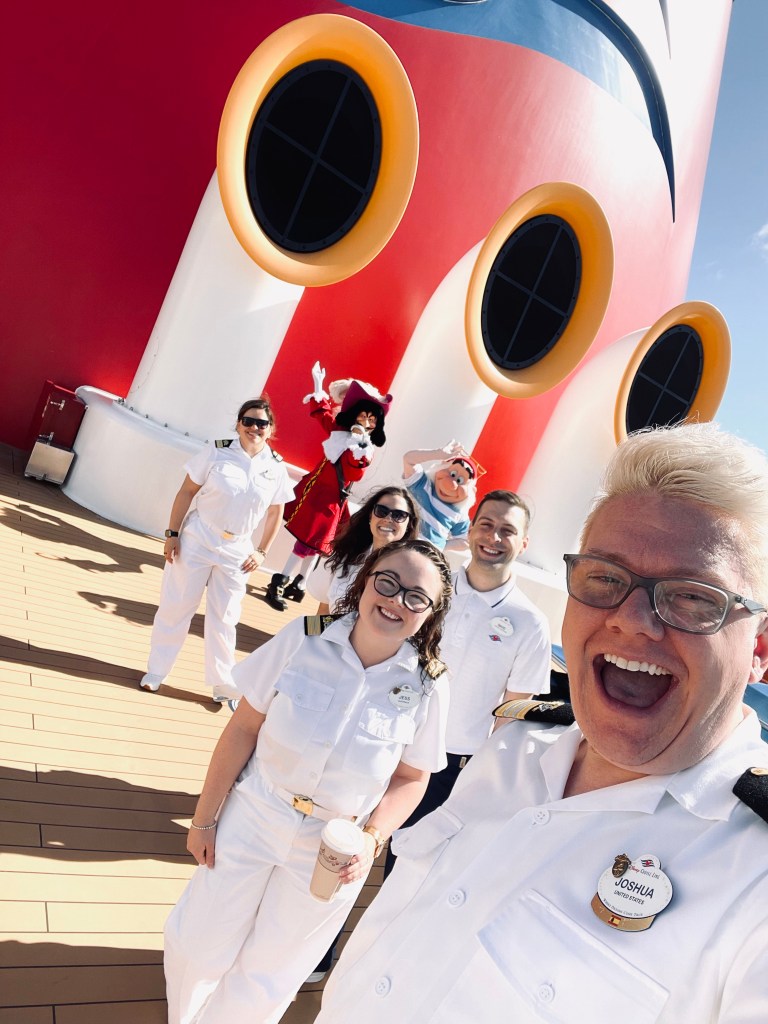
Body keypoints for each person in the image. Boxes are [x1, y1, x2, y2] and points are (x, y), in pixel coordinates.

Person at [317, 422, 768, 1024]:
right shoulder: (517, 748)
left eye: (693, 596)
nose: (632, 619)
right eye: (605, 577)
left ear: (760, 646)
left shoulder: (754, 885)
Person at [163, 538, 453, 1024]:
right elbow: (243, 729)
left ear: (430, 614)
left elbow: (411, 776)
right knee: (196, 943)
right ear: (365, 580)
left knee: (272, 972)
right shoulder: (304, 637)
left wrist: (372, 838)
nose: (396, 601)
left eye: (416, 597)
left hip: (334, 845)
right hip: (257, 810)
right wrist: (203, 819)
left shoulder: (429, 683)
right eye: (387, 582)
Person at [384, 488, 551, 876]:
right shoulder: (429, 587)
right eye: (486, 525)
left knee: (402, 867)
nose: (494, 537)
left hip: (447, 765)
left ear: (523, 543)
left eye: (507, 531)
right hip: (386, 732)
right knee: (343, 842)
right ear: (471, 529)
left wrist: (484, 781)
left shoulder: (530, 623)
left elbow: (512, 715)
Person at [139, 397, 294, 703]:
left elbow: (276, 513)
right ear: (238, 424)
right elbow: (187, 491)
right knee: (176, 606)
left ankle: (222, 683)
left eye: (261, 423)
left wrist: (261, 552)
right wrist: (172, 534)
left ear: (270, 429)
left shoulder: (276, 466)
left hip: (238, 549)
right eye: (248, 421)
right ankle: (156, 671)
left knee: (225, 617)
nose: (254, 428)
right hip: (198, 538)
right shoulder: (217, 450)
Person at [266, 362, 392, 610]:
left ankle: (296, 582)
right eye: (363, 416)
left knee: (315, 544)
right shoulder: (340, 433)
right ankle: (284, 581)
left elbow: (355, 473)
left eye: (372, 418)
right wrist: (318, 386)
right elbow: (323, 416)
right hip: (316, 493)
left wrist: (358, 447)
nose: (366, 421)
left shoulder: (364, 449)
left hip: (332, 500)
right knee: (309, 542)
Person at [308, 485, 420, 615]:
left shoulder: (412, 574)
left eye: (398, 515)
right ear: (370, 517)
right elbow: (325, 611)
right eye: (381, 511)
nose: (388, 519)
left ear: (409, 524)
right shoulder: (346, 555)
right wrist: (310, 627)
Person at [402, 441, 481, 550]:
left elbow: (466, 541)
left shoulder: (459, 513)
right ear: (441, 468)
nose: (452, 484)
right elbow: (408, 459)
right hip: (402, 543)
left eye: (459, 480)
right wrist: (438, 454)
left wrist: (439, 546)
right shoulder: (422, 484)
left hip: (426, 554)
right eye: (452, 474)